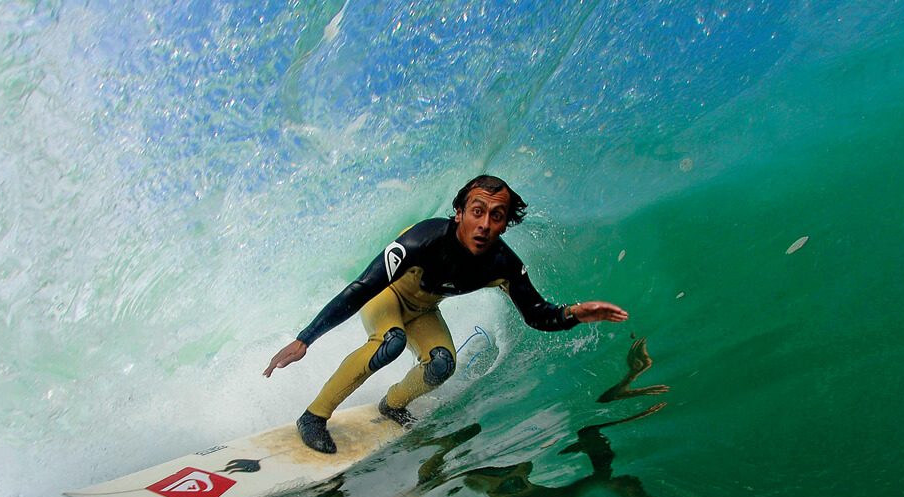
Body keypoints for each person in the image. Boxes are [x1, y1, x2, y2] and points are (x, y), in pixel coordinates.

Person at [263, 175, 629, 453]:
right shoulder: (422, 241)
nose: (485, 224)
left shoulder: (502, 264)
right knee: (391, 342)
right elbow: (362, 288)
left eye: (496, 216)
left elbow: (536, 314)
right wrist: (305, 339)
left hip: (424, 310)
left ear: (505, 224)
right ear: (460, 214)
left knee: (442, 364)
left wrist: (577, 313)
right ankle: (313, 416)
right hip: (386, 300)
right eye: (478, 212)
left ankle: (392, 405)